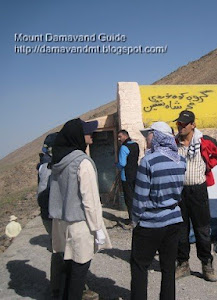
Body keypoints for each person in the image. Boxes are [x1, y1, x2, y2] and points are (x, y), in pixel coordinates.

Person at [49, 118, 112, 300]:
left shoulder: (59, 161)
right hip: (79, 224)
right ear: (77, 136)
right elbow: (90, 200)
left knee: (67, 268)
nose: (91, 134)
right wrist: (97, 228)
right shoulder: (82, 163)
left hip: (61, 223)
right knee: (79, 270)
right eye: (87, 132)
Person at [130, 121, 186, 300]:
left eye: (149, 134)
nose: (147, 138)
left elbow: (140, 197)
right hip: (173, 221)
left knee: (140, 266)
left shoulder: (148, 161)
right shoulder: (181, 161)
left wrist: (134, 220)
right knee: (168, 268)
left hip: (150, 223)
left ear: (158, 137)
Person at [174, 110, 217, 282]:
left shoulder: (204, 141)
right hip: (180, 192)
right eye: (178, 124)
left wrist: (208, 165)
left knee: (202, 229)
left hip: (198, 190)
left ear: (193, 125)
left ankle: (206, 264)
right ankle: (183, 264)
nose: (180, 127)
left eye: (183, 124)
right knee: (181, 229)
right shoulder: (174, 142)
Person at [37, 132, 66, 298]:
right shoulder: (48, 167)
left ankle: (58, 288)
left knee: (58, 251)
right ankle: (63, 288)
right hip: (53, 215)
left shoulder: (44, 164)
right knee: (62, 252)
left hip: (49, 214)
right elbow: (45, 194)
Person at [116, 130, 139, 227]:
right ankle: (138, 217)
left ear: (125, 136)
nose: (118, 139)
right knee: (136, 197)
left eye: (120, 136)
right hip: (136, 174)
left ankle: (132, 220)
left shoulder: (124, 147)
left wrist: (117, 166)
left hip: (126, 176)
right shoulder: (136, 145)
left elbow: (122, 163)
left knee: (129, 198)